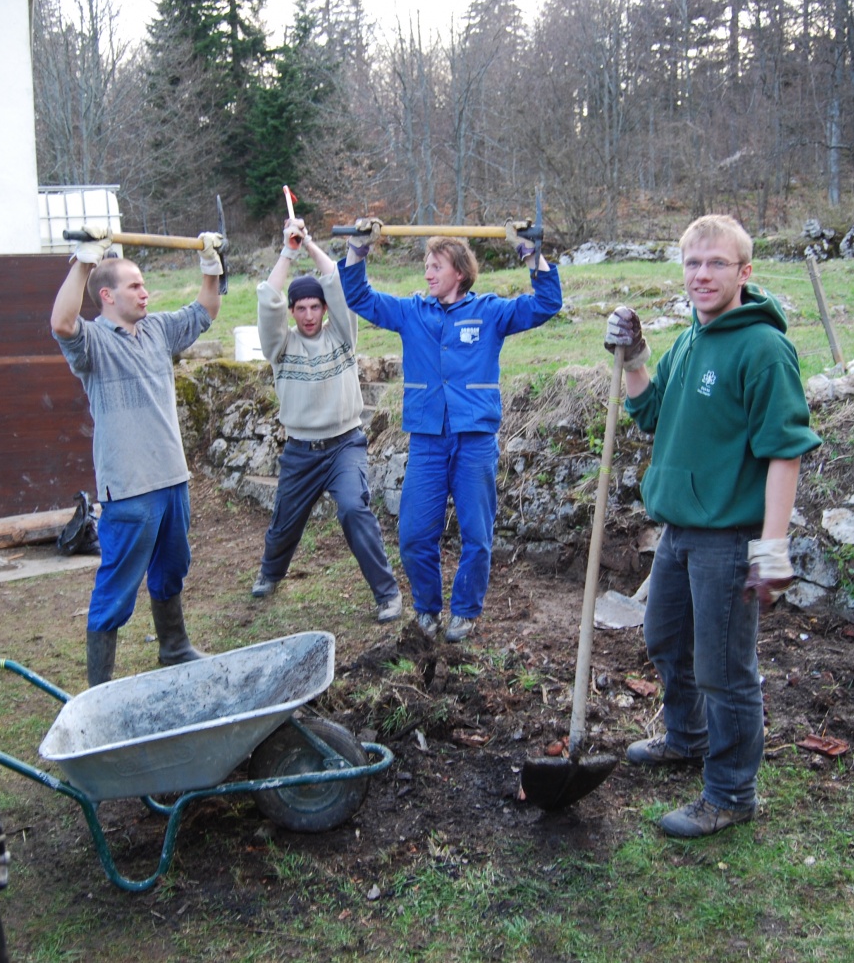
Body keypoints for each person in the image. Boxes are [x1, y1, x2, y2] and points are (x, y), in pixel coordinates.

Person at [605, 213, 820, 838]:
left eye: (717, 264)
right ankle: (686, 737)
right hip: (677, 531)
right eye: (693, 264)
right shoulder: (691, 339)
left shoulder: (763, 349)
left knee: (725, 671)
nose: (702, 275)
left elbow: (786, 448)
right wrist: (637, 357)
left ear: (744, 273)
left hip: (728, 538)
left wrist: (772, 546)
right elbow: (648, 412)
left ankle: (730, 793)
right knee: (665, 640)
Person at [340, 218, 561, 643]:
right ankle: (427, 610)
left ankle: (465, 610)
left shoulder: (490, 311)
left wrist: (531, 255)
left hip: (475, 440)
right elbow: (359, 296)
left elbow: (547, 304)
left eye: (436, 266)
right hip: (427, 440)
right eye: (426, 265)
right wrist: (357, 251)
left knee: (477, 534)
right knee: (412, 536)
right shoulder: (411, 313)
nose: (427, 273)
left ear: (459, 271)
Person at [50, 225, 225, 687]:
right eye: (135, 285)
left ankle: (173, 647)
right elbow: (62, 323)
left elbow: (206, 308)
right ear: (106, 295)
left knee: (171, 570)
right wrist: (83, 259)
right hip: (128, 488)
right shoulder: (92, 345)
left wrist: (211, 263)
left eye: (144, 284)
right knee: (117, 585)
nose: (145, 292)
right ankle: (99, 688)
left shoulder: (159, 330)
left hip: (171, 478)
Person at [250, 217, 404, 623]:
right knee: (285, 521)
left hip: (344, 445)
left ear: (324, 308)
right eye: (299, 308)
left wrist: (310, 244)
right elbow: (268, 298)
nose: (307, 314)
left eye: (314, 306)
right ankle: (270, 573)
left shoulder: (343, 336)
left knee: (354, 510)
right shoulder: (280, 346)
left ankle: (387, 594)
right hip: (301, 450)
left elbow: (336, 281)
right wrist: (288, 251)